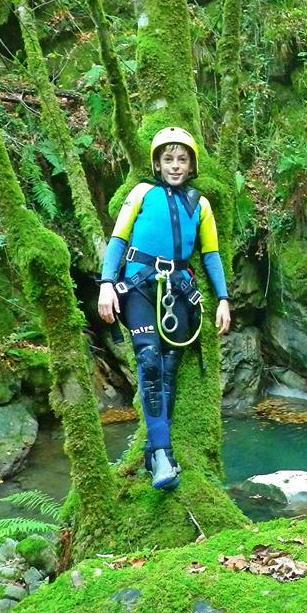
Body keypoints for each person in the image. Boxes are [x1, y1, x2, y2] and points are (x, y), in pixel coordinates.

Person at [97, 127, 231, 490]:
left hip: (179, 290)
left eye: (182, 159)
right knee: (149, 361)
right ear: (157, 163)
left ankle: (155, 450)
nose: (175, 166)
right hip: (138, 286)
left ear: (191, 166)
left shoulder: (200, 204)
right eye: (168, 159)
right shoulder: (141, 193)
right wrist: (107, 284)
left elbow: (212, 254)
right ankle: (161, 453)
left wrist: (223, 299)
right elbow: (118, 239)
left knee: (169, 367)